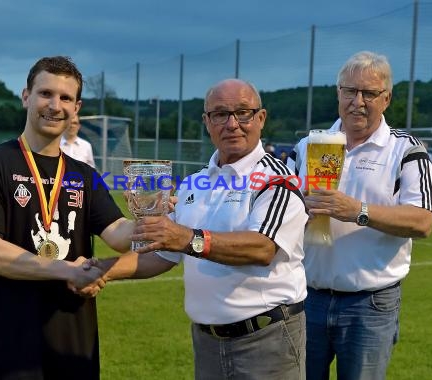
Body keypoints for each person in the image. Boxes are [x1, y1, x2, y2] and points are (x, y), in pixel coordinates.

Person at [86, 78, 308, 380]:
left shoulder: (278, 179)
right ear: (206, 121)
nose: (232, 124)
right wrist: (103, 269)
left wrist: (186, 238)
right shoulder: (194, 183)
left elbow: (262, 247)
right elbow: (164, 255)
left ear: (261, 118)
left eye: (243, 112)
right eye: (220, 114)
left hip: (266, 341)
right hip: (207, 341)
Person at [0, 56, 135, 380]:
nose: (55, 105)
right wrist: (67, 270)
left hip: (73, 343)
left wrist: (157, 214)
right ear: (26, 96)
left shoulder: (84, 174)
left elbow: (119, 235)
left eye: (66, 98)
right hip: (9, 345)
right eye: (45, 94)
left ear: (77, 107)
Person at [288, 51, 432, 380]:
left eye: (369, 93)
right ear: (338, 93)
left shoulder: (407, 150)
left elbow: (423, 221)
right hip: (307, 296)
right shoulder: (306, 147)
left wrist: (357, 211)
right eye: (350, 91)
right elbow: (282, 210)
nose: (358, 101)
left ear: (386, 99)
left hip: (370, 305)